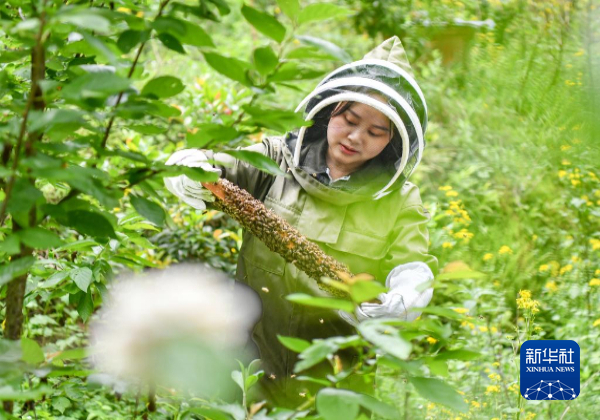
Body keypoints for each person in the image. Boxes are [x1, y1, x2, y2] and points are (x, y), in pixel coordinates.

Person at [164, 36, 438, 407]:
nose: (356, 138)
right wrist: (191, 169)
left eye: (375, 132)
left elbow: (411, 261)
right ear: (330, 109)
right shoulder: (275, 158)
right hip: (248, 358)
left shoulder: (400, 199)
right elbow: (224, 165)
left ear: (393, 141)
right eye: (350, 119)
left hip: (337, 379)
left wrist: (409, 291)